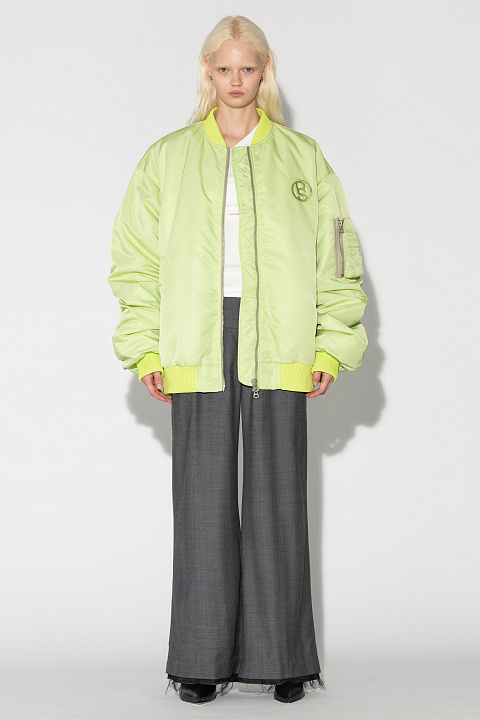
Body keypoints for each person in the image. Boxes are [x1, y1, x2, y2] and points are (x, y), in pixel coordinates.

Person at [108, 15, 368, 706]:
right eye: (223, 68)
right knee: (202, 499)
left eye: (246, 68)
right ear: (208, 71)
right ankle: (200, 659)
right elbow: (135, 261)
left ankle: (283, 659)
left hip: (280, 334)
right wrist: (146, 346)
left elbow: (336, 255)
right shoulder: (166, 158)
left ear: (264, 70)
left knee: (280, 496)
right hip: (195, 333)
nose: (235, 80)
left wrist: (331, 343)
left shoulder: (302, 157)